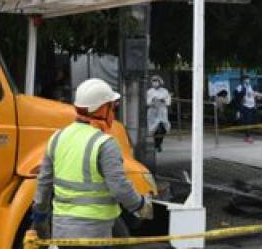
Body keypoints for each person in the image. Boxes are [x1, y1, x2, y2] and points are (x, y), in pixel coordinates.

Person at [32, 78, 153, 243]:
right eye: (112, 108)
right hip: (95, 232)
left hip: (62, 230)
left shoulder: (57, 138)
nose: (113, 113)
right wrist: (140, 205)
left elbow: (44, 183)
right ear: (102, 109)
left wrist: (39, 217)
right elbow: (119, 187)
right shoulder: (105, 144)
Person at [146, 75, 172, 153]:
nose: (155, 83)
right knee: (155, 129)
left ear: (160, 82)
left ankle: (159, 144)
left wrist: (163, 101)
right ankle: (156, 144)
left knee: (163, 128)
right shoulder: (149, 91)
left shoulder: (165, 91)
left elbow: (168, 102)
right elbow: (147, 102)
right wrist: (153, 101)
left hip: (162, 112)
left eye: (156, 81)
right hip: (153, 112)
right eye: (153, 81)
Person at [235, 75, 259, 143]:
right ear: (243, 80)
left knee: (250, 121)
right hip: (245, 106)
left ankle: (247, 135)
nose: (248, 80)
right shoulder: (240, 87)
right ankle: (248, 136)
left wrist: (256, 95)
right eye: (246, 79)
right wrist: (242, 96)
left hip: (252, 106)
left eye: (248, 79)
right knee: (247, 121)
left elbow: (252, 95)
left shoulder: (250, 87)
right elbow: (237, 95)